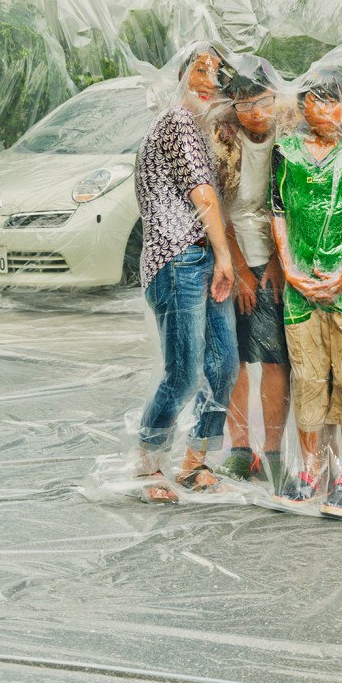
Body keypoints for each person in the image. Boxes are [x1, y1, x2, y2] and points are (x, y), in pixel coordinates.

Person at [270, 66, 342, 517]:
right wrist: (290, 270)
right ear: (302, 106)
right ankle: (311, 469)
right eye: (315, 100)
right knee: (309, 377)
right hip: (299, 287)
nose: (325, 110)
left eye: (334, 101)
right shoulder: (286, 151)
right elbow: (276, 210)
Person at [134, 42, 240, 503]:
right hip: (178, 260)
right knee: (184, 372)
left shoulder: (197, 129)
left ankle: (195, 462)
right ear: (181, 75)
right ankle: (149, 466)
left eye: (218, 73)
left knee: (224, 365)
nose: (209, 80)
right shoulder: (176, 121)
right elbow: (203, 197)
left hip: (197, 259)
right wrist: (225, 256)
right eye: (200, 69)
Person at [209, 56, 294, 491]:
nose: (255, 114)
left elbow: (294, 202)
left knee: (277, 357)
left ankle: (275, 451)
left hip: (280, 256)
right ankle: (240, 449)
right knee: (236, 357)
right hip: (231, 254)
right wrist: (238, 266)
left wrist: (281, 260)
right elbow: (214, 204)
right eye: (245, 106)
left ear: (276, 98)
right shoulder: (222, 135)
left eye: (262, 103)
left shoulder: (291, 131)